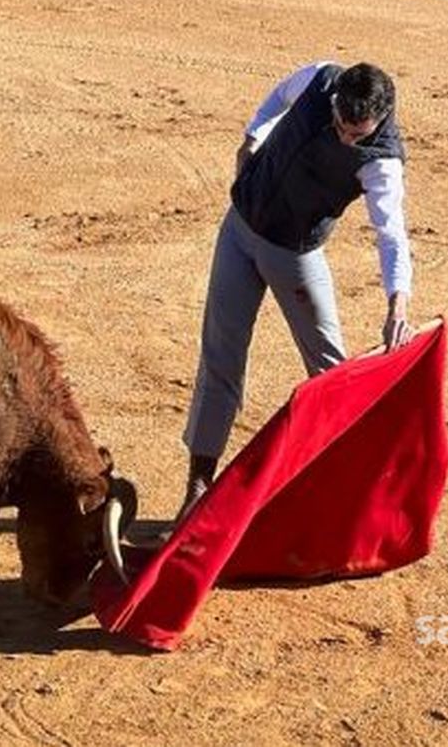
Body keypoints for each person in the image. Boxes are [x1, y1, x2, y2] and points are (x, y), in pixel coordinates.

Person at [175, 60, 415, 519]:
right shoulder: (322, 80)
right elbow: (280, 93)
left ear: (380, 119)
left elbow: (391, 234)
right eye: (342, 126)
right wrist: (252, 137)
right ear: (336, 102)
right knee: (220, 353)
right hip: (239, 230)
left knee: (327, 368)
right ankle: (199, 485)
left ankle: (348, 484)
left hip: (294, 256)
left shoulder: (382, 160)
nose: (346, 138)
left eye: (356, 133)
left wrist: (397, 300)